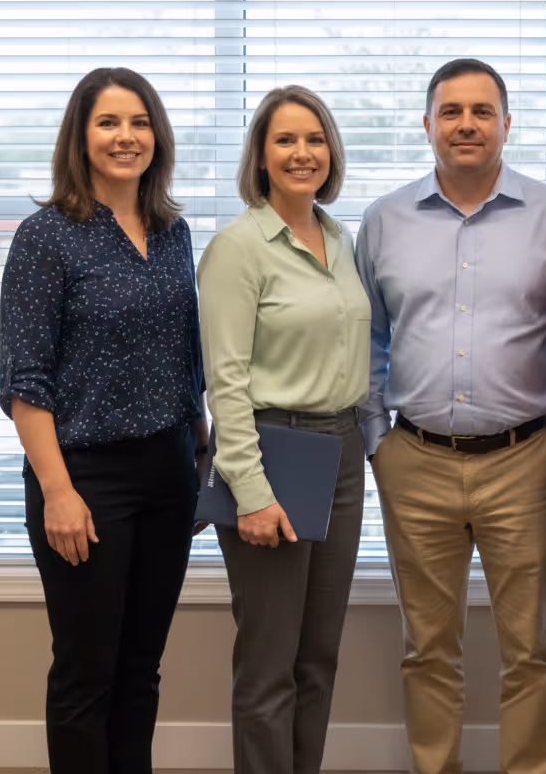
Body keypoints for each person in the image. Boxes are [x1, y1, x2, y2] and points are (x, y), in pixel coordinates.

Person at [356, 58, 546, 774]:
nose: (466, 124)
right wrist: (376, 444)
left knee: (532, 648)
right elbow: (367, 337)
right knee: (427, 647)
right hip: (415, 460)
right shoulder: (384, 221)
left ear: (506, 125)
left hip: (525, 459)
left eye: (482, 111)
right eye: (451, 111)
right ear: (427, 125)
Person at [0, 67, 208, 774]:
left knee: (141, 669)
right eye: (109, 123)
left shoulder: (173, 233)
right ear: (80, 137)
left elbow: (187, 357)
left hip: (170, 472)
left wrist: (203, 458)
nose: (127, 137)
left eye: (139, 122)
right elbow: (25, 382)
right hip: (83, 478)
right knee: (86, 675)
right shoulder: (46, 238)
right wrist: (57, 491)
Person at [197, 84, 370, 774]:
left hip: (344, 452)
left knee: (318, 655)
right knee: (270, 665)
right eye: (285, 140)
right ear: (260, 157)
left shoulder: (337, 237)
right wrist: (251, 490)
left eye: (315, 139)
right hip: (272, 451)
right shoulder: (239, 248)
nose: (303, 153)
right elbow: (226, 381)